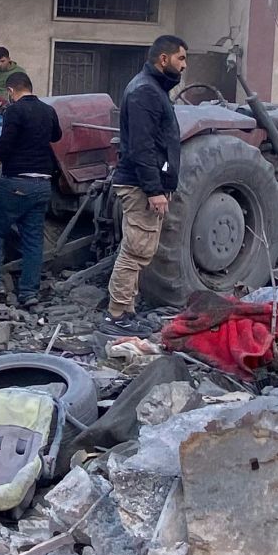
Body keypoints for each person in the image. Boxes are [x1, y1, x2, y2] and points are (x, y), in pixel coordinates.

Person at [104, 36, 187, 333]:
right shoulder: (146, 91)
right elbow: (142, 146)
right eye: (181, 58)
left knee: (139, 249)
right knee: (135, 250)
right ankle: (116, 316)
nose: (184, 65)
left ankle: (127, 311)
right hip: (140, 185)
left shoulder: (152, 89)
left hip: (144, 183)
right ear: (163, 59)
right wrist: (154, 189)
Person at [0, 71, 61, 309]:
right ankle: (29, 292)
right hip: (43, 184)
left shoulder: (14, 111)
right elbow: (57, 135)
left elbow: (4, 146)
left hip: (16, 181)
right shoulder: (48, 110)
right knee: (33, 238)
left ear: (11, 91)